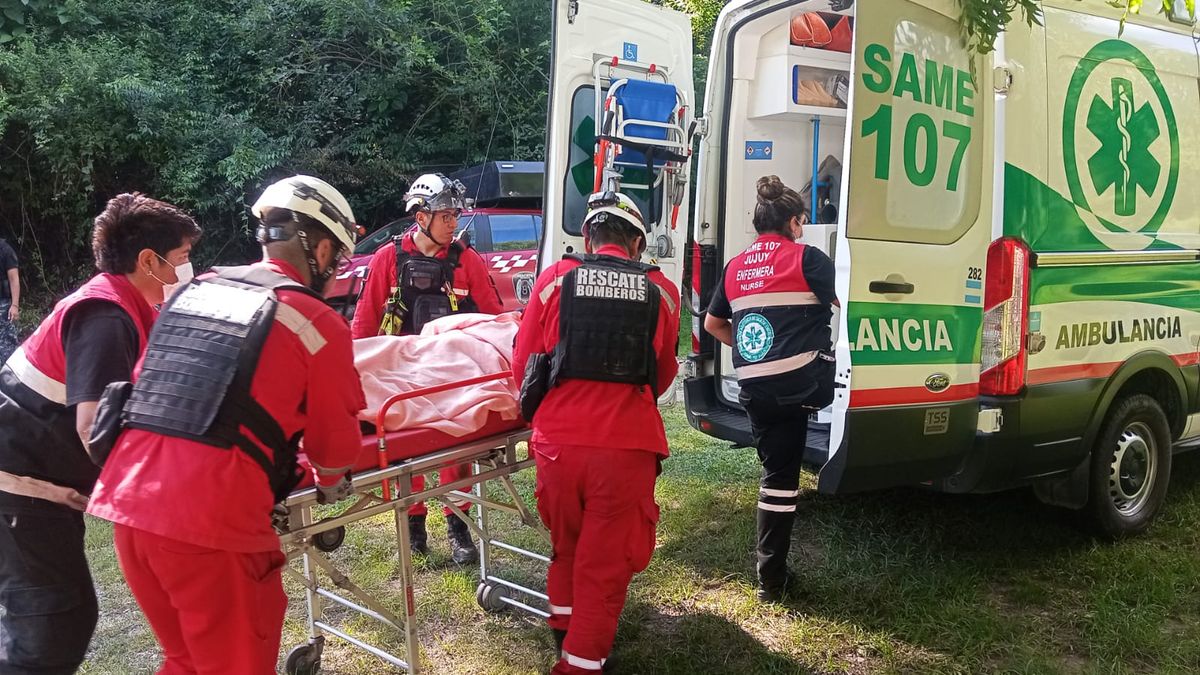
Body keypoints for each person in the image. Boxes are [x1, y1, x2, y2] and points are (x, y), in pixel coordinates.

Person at [86, 175, 367, 674]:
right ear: (322, 249)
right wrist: (330, 484)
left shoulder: (194, 291)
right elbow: (335, 444)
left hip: (131, 510)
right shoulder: (314, 320)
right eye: (338, 257)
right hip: (210, 527)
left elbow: (154, 385)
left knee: (187, 661)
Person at [0, 194, 200, 673]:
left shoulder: (127, 305)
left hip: (35, 484)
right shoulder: (106, 315)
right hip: (19, 486)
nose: (185, 271)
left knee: (56, 619)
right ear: (148, 260)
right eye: (182, 258)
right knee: (50, 625)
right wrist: (167, 489)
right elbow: (95, 429)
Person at [513, 192, 680, 674]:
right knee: (603, 566)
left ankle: (563, 631)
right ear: (636, 242)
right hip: (625, 447)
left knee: (566, 545)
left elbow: (524, 363)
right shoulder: (662, 291)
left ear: (588, 237)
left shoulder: (553, 281)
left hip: (558, 445)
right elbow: (663, 373)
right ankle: (581, 663)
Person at [351, 172, 503, 564]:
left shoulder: (466, 260)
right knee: (405, 457)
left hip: (451, 375)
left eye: (455, 216)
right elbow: (365, 322)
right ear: (421, 218)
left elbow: (493, 317)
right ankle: (414, 526)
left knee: (457, 451)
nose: (454, 223)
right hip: (400, 374)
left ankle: (458, 525)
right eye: (446, 216)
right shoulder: (388, 259)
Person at [703, 175, 837, 603]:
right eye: (802, 222)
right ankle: (771, 581)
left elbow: (713, 324)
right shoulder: (809, 259)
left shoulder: (735, 267)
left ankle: (771, 575)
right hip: (799, 385)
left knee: (776, 470)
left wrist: (753, 350)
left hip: (754, 388)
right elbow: (845, 303)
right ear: (794, 222)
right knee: (781, 480)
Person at [0, 237, 19, 364]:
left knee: (8, 349)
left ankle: (8, 374)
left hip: (3, 306)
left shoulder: (5, 250)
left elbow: (14, 278)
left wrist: (15, 305)